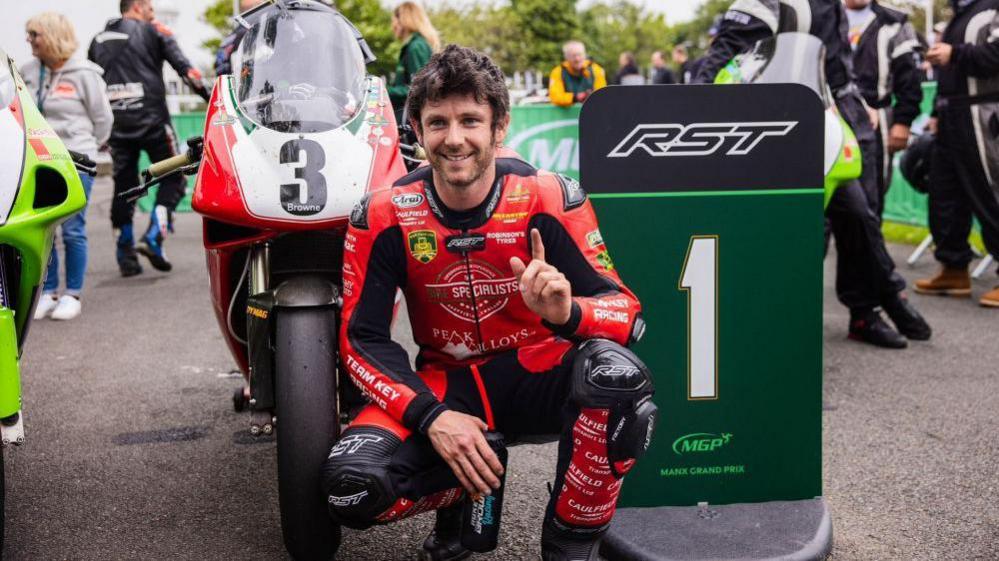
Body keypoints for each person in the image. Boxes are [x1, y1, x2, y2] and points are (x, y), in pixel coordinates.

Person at [322, 45, 657, 561]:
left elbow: (626, 316)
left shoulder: (550, 197)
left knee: (617, 375)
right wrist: (432, 417)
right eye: (438, 122)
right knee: (351, 487)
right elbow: (358, 339)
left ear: (500, 127)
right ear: (415, 128)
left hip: (539, 374)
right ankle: (469, 482)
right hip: (448, 387)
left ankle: (571, 543)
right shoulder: (383, 215)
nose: (454, 139)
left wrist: (566, 313)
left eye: (470, 120)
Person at [694, 0, 932, 348]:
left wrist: (853, 100)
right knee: (787, 230)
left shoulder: (831, 5)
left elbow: (835, 66)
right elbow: (724, 50)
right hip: (763, 132)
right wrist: (693, 106)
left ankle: (866, 311)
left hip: (818, 127)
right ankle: (767, 316)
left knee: (858, 215)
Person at [88, 0, 205, 277]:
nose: (153, 13)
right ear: (139, 7)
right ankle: (154, 235)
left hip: (116, 124)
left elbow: (92, 85)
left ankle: (125, 254)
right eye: (150, 7)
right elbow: (188, 72)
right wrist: (213, 98)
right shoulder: (155, 30)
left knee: (124, 186)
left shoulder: (97, 40)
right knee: (175, 176)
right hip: (153, 120)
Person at [22, 12, 112, 321]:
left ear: (52, 35)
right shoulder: (28, 72)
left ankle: (72, 294)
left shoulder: (85, 73)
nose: (29, 41)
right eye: (28, 35)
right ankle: (47, 292)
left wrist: (88, 148)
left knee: (72, 230)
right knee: (43, 229)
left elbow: (104, 120)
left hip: (77, 161)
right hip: (39, 163)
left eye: (35, 34)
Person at [917, 0, 999, 307]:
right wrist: (938, 108)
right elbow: (949, 70)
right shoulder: (960, 12)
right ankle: (953, 267)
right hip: (951, 110)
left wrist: (954, 53)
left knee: (990, 190)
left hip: (983, 109)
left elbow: (995, 54)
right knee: (944, 192)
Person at [845, 0, 923, 217]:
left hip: (876, 122)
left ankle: (867, 249)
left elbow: (910, 78)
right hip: (832, 118)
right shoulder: (826, 17)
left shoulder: (894, 22)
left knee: (871, 199)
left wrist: (903, 122)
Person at [387, 1, 440, 120]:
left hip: (410, 119)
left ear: (403, 19)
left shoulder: (416, 47)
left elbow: (419, 89)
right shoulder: (415, 45)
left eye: (394, 20)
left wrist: (384, 91)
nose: (393, 25)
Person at [213, 0, 266, 76]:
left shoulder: (232, 35)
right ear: (254, 9)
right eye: (261, 5)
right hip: (247, 81)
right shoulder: (251, 32)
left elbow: (218, 68)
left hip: (228, 80)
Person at [549, 40, 607, 107]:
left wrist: (591, 96)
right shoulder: (558, 72)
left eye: (580, 54)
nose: (577, 59)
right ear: (566, 57)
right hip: (566, 115)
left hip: (592, 111)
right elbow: (555, 97)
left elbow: (603, 95)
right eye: (573, 56)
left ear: (585, 54)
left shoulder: (596, 70)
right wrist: (575, 97)